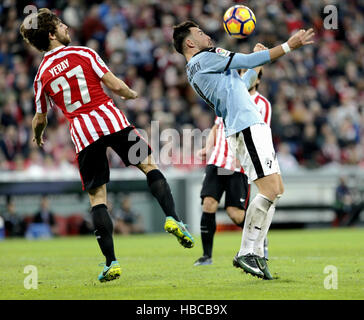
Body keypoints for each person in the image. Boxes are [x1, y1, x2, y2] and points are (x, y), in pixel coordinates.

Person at [20, 8, 194, 283]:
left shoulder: (41, 74)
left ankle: (111, 262)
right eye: (61, 25)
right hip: (112, 121)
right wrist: (132, 93)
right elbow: (115, 85)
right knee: (149, 166)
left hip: (83, 134)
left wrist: (38, 136)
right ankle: (172, 218)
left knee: (98, 197)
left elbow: (40, 116)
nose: (66, 27)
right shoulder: (83, 53)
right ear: (52, 34)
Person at [173, 21, 314, 279]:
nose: (207, 35)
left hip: (248, 124)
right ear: (190, 43)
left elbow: (241, 85)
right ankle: (247, 252)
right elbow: (247, 61)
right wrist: (287, 46)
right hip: (245, 126)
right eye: (200, 33)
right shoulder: (205, 58)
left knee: (276, 190)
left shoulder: (199, 68)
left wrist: (256, 64)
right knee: (269, 190)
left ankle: (256, 252)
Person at [194, 67, 271, 267]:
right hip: (218, 160)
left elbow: (262, 133)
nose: (245, 76)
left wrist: (250, 156)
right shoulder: (230, 96)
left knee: (235, 213)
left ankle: (259, 238)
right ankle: (206, 256)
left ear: (257, 80)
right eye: (243, 72)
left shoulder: (262, 104)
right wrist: (208, 147)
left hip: (239, 166)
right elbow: (217, 126)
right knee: (208, 204)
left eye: (250, 73)